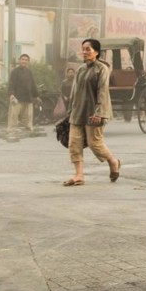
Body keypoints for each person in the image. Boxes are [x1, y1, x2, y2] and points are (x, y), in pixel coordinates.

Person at [63, 38, 121, 187]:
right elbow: (74, 92)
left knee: (95, 144)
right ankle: (79, 175)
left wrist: (99, 113)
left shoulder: (102, 69)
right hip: (77, 112)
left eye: (88, 49)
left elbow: (102, 91)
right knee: (74, 144)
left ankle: (113, 162)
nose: (85, 52)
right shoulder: (81, 69)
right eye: (83, 49)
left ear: (96, 52)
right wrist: (70, 111)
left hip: (94, 112)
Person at [7, 53, 40, 132]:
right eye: (22, 59)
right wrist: (11, 94)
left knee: (28, 115)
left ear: (28, 62)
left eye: (26, 60)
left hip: (28, 97)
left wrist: (36, 95)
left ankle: (28, 127)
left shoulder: (29, 72)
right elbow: (11, 83)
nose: (24, 61)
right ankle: (11, 128)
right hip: (17, 97)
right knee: (14, 114)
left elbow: (33, 84)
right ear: (19, 61)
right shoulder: (15, 71)